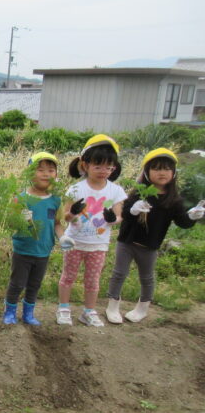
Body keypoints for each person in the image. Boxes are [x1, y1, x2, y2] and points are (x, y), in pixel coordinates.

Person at [105, 147, 204, 324]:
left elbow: (182, 222)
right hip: (127, 242)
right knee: (119, 274)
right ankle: (112, 306)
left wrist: (192, 216)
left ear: (173, 173)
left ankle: (142, 308)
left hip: (149, 246)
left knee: (147, 277)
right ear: (146, 172)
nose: (162, 172)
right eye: (156, 168)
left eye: (166, 169)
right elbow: (124, 214)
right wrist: (134, 210)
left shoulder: (174, 200)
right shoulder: (138, 193)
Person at [57, 134, 126, 327]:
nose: (104, 171)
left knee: (93, 280)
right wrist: (73, 213)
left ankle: (88, 311)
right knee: (68, 276)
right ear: (85, 165)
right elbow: (66, 217)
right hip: (74, 242)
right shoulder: (76, 189)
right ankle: (63, 309)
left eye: (109, 167)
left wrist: (113, 219)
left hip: (98, 244)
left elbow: (119, 216)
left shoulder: (116, 191)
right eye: (98, 166)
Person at [3, 152, 64, 325]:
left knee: (35, 284)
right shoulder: (21, 199)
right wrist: (20, 219)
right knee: (17, 283)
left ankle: (28, 314)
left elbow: (57, 223)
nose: (46, 174)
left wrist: (63, 238)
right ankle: (9, 312)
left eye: (51, 170)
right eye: (40, 170)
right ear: (30, 174)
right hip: (23, 250)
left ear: (56, 175)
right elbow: (10, 223)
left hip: (44, 251)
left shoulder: (55, 200)